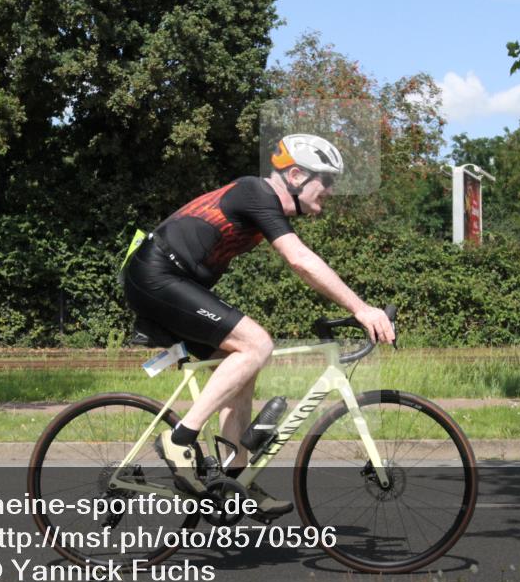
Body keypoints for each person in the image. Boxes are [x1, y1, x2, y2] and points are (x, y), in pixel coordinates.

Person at [123, 134, 395, 516]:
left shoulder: (262, 204)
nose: (331, 190)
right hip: (157, 275)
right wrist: (362, 309)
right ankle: (179, 440)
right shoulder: (256, 192)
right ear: (296, 176)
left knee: (242, 367)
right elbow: (300, 259)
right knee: (257, 344)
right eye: (327, 180)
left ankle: (234, 481)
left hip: (171, 279)